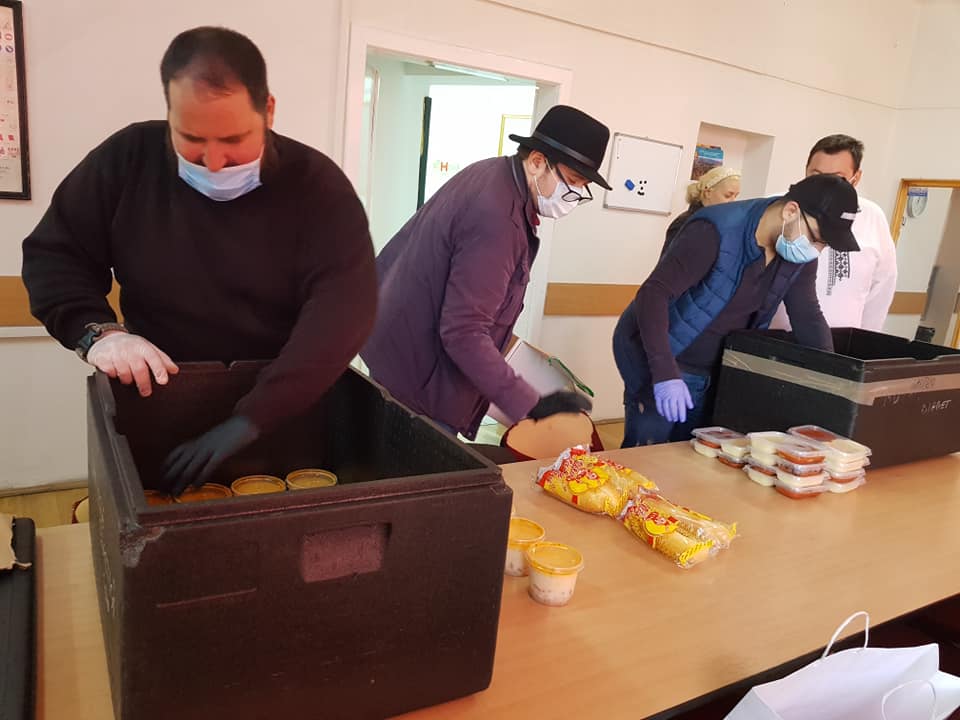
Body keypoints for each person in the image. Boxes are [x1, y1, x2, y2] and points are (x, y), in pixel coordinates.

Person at [21, 27, 376, 493]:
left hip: (283, 406)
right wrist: (99, 333)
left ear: (268, 111)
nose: (213, 162)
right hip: (160, 395)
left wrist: (252, 418)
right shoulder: (128, 160)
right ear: (169, 114)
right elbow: (55, 255)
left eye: (233, 139)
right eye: (190, 139)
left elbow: (342, 312)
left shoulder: (318, 187)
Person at [361, 105, 611, 439]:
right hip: (420, 381)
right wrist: (530, 403)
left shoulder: (491, 173)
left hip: (398, 354)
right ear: (537, 162)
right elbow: (463, 332)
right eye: (573, 181)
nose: (575, 195)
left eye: (583, 187)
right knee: (421, 467)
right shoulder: (498, 217)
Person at [613, 174, 860, 448]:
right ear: (791, 211)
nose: (817, 251)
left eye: (824, 245)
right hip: (663, 354)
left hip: (718, 368)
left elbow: (807, 315)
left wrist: (834, 381)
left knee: (693, 456)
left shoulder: (797, 250)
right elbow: (654, 294)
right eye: (817, 239)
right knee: (647, 452)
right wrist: (664, 372)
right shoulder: (715, 230)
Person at [771, 134, 898, 331]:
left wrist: (865, 338)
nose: (824, 187)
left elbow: (882, 286)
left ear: (856, 178)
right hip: (773, 336)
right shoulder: (778, 207)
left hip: (843, 341)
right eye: (816, 176)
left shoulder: (872, 216)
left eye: (837, 179)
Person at [661, 166, 741, 256]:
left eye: (735, 196)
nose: (732, 202)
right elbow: (670, 262)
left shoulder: (719, 223)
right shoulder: (686, 223)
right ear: (708, 193)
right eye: (727, 196)